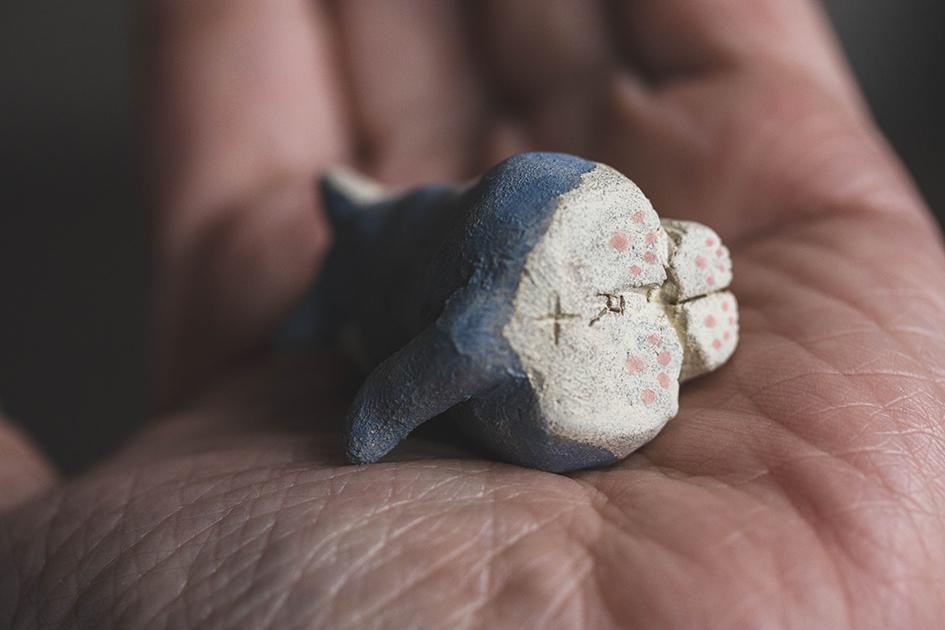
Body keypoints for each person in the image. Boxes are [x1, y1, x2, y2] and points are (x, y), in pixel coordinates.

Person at [2, 1, 944, 627]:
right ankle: (636, 289)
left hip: (539, 309)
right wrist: (389, 405)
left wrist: (381, 414)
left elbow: (446, 351)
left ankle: (632, 299)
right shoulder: (395, 255)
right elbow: (449, 347)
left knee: (468, 319)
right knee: (467, 317)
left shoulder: (385, 258)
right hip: (547, 258)